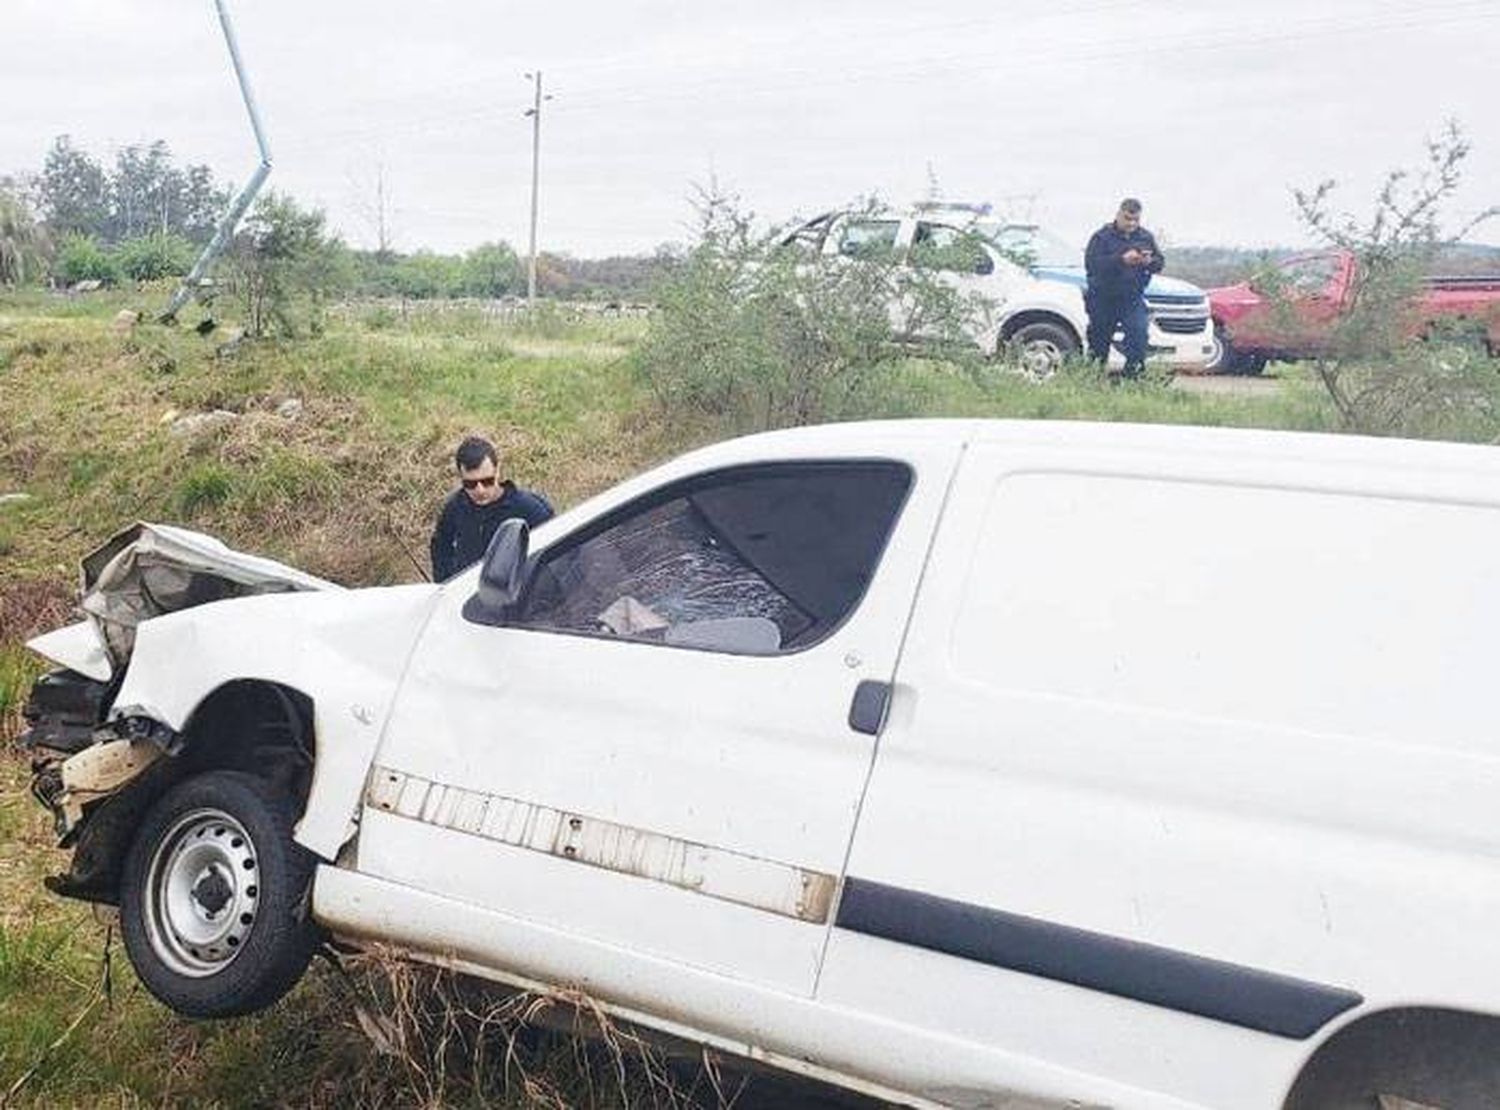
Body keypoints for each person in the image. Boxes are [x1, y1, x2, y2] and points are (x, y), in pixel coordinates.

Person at [429, 436, 554, 582]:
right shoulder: (455, 506)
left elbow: (556, 556)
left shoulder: (531, 509)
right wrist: (446, 584)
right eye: (470, 484)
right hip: (467, 595)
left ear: (498, 470)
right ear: (460, 476)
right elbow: (440, 546)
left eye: (487, 481)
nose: (480, 490)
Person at [1084, 197, 1165, 380]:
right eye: (1127, 219)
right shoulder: (1101, 237)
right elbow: (1092, 265)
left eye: (1135, 219)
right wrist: (1121, 260)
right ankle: (1093, 378)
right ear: (1119, 215)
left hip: (1132, 297)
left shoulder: (1145, 237)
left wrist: (1148, 261)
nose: (1131, 223)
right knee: (1099, 340)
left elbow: (1159, 263)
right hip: (1104, 297)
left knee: (1138, 334)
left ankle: (1133, 377)